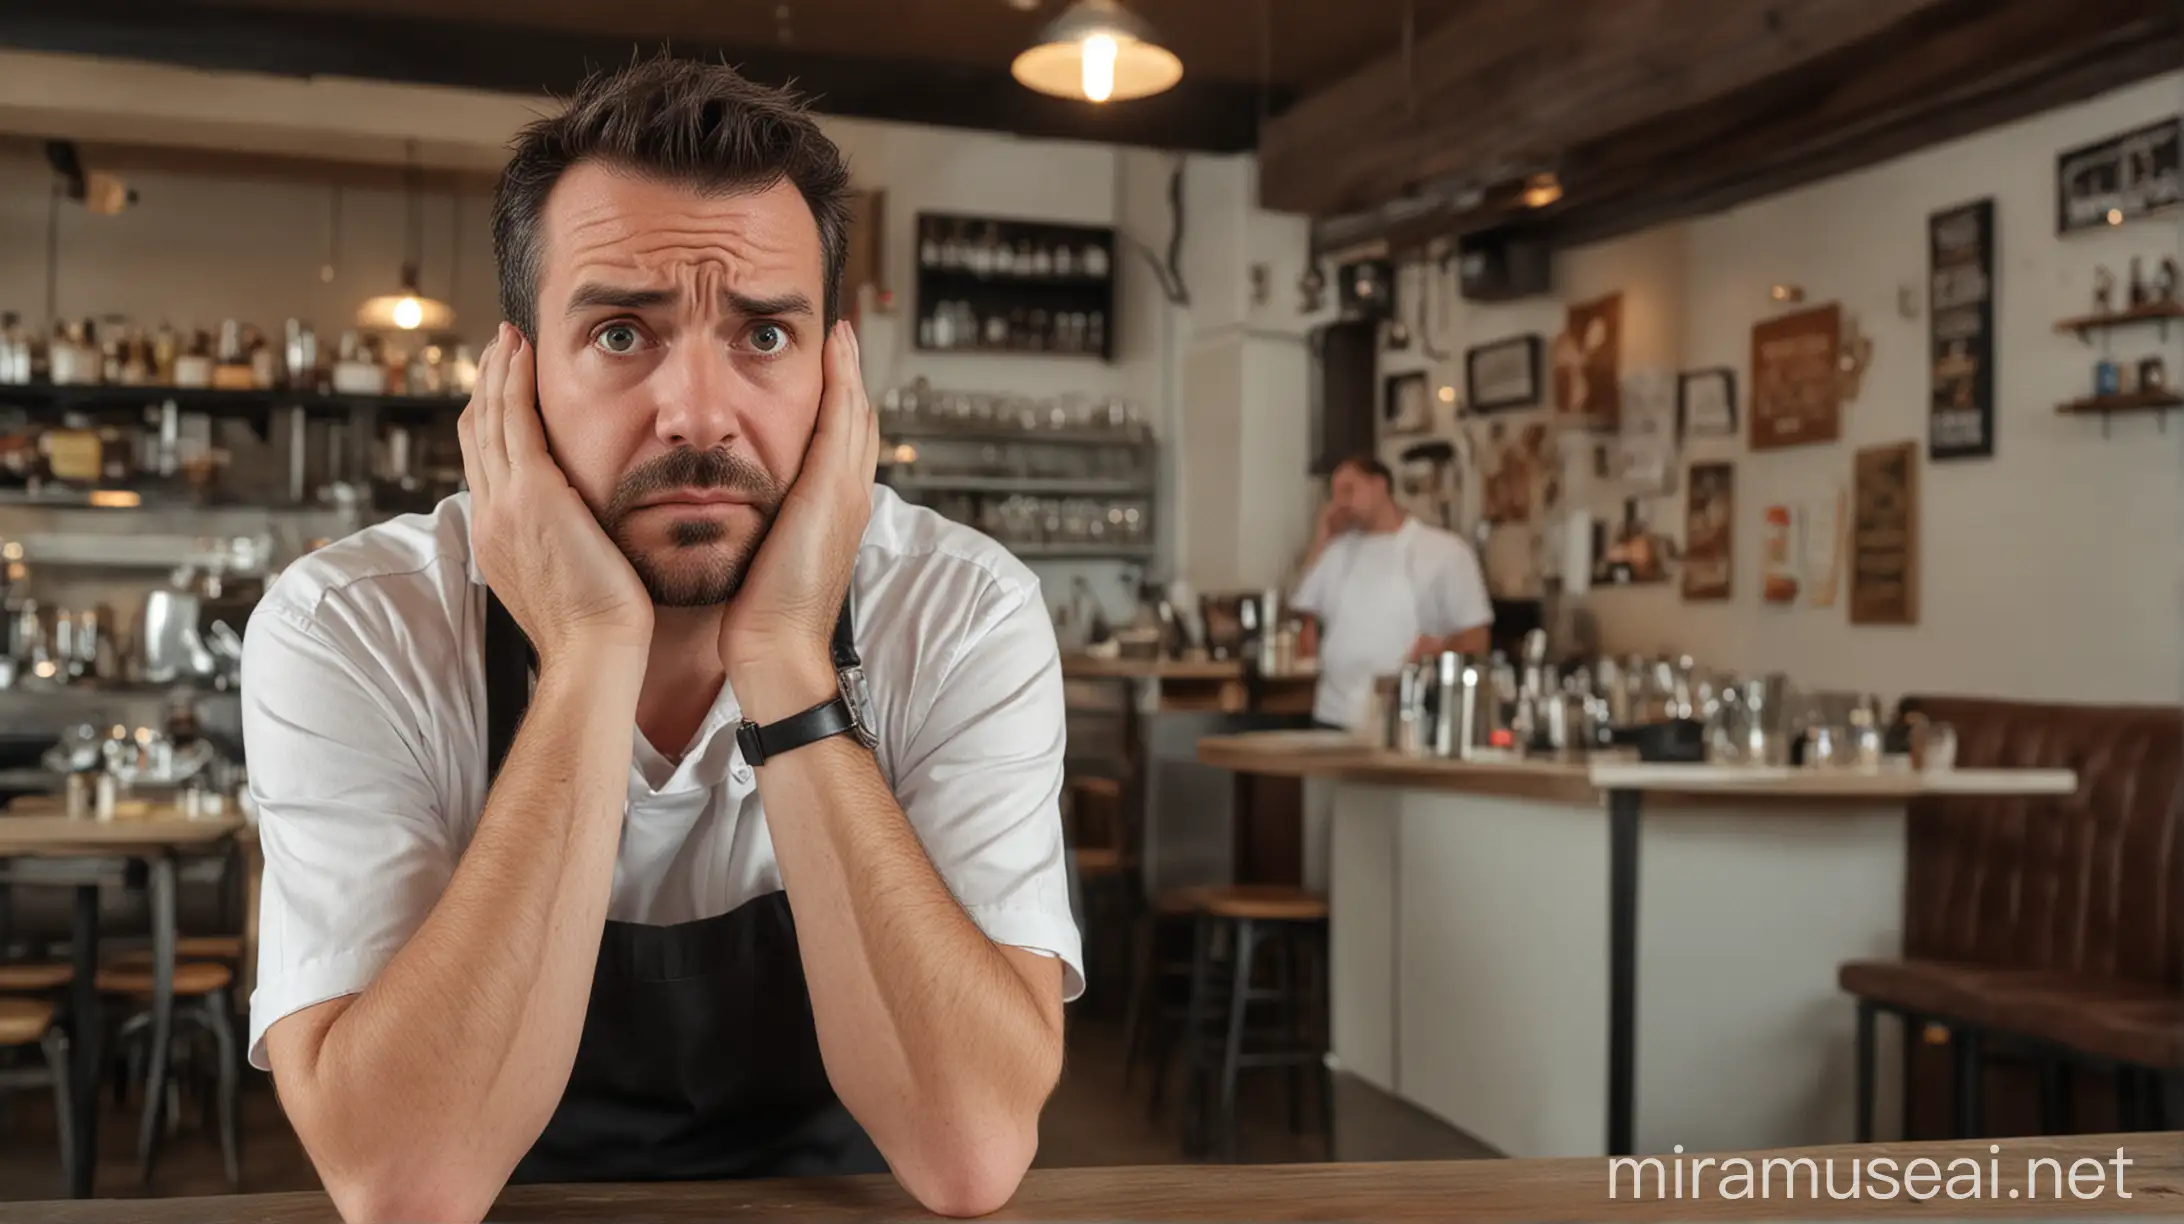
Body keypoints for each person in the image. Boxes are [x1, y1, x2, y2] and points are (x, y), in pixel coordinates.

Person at [240, 56, 1080, 1223]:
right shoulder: (355, 625)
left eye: (765, 335)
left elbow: (970, 1150)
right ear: (516, 379)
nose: (696, 412)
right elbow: (404, 1183)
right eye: (623, 333)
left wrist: (787, 657)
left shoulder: (958, 608)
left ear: (838, 375)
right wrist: (587, 655)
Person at [1291, 453, 1494, 731]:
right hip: (1331, 716)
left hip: (1403, 722)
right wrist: (1322, 536)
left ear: (1380, 486)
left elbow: (1476, 638)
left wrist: (1436, 654)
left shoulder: (1444, 551)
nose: (1340, 503)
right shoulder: (1337, 553)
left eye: (1349, 491)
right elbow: (1303, 613)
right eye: (1335, 495)